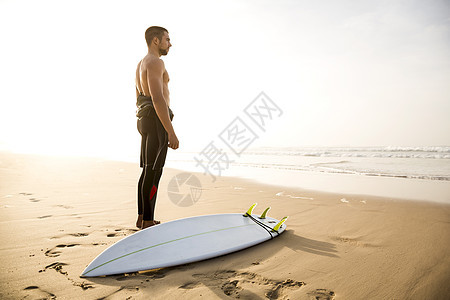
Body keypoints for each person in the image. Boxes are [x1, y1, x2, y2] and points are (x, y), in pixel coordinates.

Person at [135, 26, 179, 229]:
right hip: (156, 119)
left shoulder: (140, 65)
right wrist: (170, 131)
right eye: (167, 39)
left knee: (146, 170)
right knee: (155, 171)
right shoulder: (156, 62)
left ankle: (142, 216)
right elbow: (157, 97)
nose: (170, 43)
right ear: (155, 41)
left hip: (146, 119)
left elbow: (139, 97)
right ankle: (148, 222)